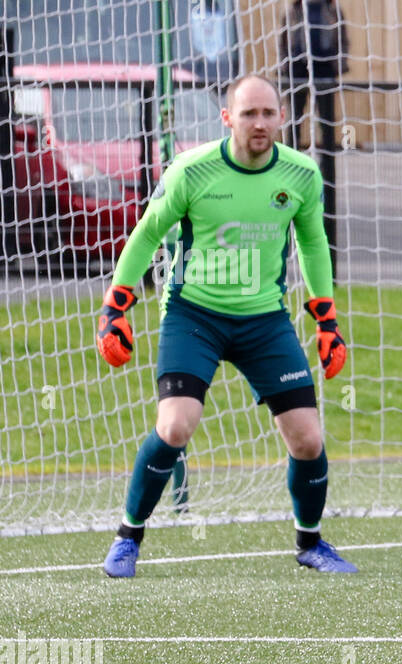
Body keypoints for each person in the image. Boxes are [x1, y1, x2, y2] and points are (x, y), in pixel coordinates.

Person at [96, 75, 356, 578]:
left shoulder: (302, 175)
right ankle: (128, 537)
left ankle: (311, 543)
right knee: (175, 426)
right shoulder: (192, 172)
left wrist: (327, 319)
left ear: (282, 117)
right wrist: (115, 308)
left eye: (267, 114)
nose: (259, 124)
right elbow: (147, 234)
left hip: (265, 321)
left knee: (308, 440)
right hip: (195, 316)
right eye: (248, 114)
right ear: (227, 118)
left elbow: (313, 245)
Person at [279, 0, 349, 153]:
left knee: (327, 122)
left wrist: (339, 65)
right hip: (297, 70)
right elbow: (283, 40)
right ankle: (291, 161)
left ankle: (328, 170)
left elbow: (343, 40)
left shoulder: (333, 9)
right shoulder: (293, 8)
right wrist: (284, 65)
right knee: (294, 120)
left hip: (324, 69)